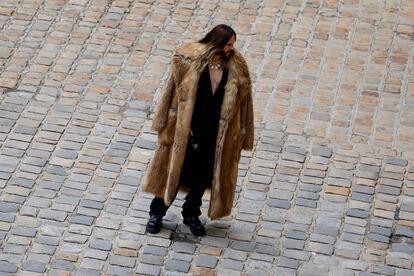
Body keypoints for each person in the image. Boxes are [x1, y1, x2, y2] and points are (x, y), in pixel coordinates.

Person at [142, 24, 254, 236]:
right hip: (187, 129)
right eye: (229, 44)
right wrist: (162, 122)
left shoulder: (236, 67)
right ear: (217, 42)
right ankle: (157, 212)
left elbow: (246, 105)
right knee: (175, 171)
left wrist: (244, 134)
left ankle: (191, 212)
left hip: (217, 132)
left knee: (203, 175)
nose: (232, 48)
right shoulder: (189, 62)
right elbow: (169, 93)